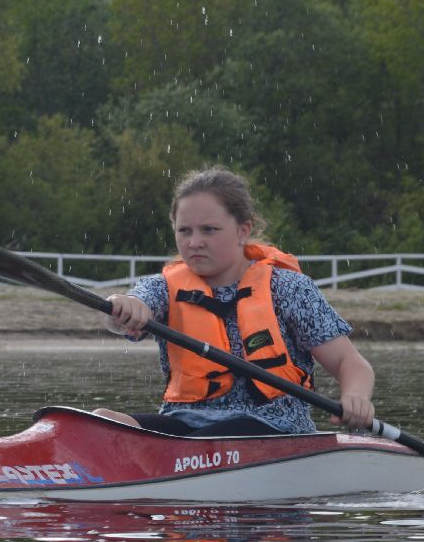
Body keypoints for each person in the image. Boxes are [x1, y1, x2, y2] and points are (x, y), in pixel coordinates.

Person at [95, 167, 375, 437]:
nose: (194, 242)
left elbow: (348, 361)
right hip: (183, 424)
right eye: (185, 231)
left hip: (272, 426)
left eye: (209, 230)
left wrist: (355, 396)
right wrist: (123, 307)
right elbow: (124, 312)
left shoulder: (290, 289)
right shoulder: (163, 289)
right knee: (101, 420)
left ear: (243, 230)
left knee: (210, 438)